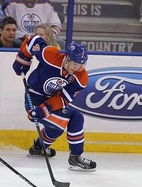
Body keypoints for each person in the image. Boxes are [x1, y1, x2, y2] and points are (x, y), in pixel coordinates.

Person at [12, 35, 97, 172]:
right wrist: (23, 60)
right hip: (33, 98)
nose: (77, 67)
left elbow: (63, 99)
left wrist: (43, 110)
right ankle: (75, 157)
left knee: (60, 125)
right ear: (67, 58)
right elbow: (33, 40)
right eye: (74, 63)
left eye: (81, 64)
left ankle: (39, 148)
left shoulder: (81, 78)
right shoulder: (50, 56)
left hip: (47, 102)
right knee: (71, 120)